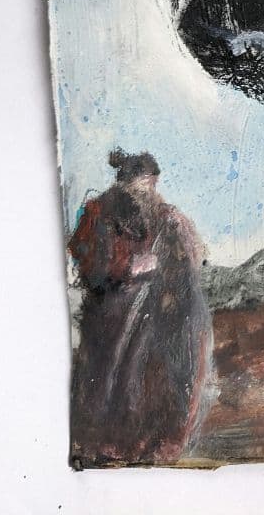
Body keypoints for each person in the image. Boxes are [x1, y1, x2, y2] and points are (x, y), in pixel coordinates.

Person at [68, 150, 211, 467]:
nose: (148, 194)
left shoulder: (164, 214)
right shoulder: (99, 211)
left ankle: (153, 442)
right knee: (114, 381)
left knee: (155, 375)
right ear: (126, 183)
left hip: (153, 314)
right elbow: (87, 259)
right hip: (110, 312)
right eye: (142, 188)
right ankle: (110, 444)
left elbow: (192, 256)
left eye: (152, 187)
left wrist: (180, 245)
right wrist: (129, 266)